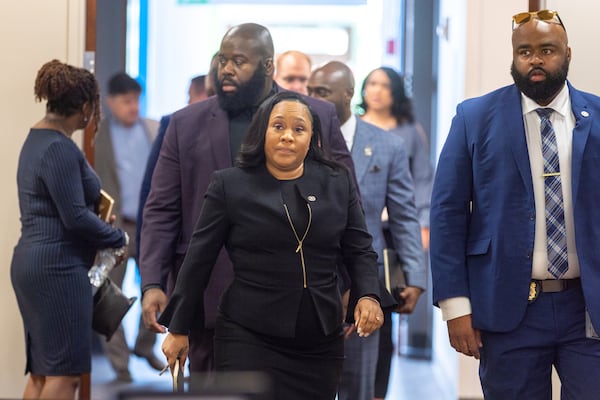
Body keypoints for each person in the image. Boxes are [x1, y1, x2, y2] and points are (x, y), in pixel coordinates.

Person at [139, 22, 355, 379]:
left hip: (302, 304)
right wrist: (152, 283)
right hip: (209, 299)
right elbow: (161, 209)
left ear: (268, 66)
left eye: (239, 61)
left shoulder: (314, 117)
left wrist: (354, 284)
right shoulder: (184, 124)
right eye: (223, 60)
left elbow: (347, 204)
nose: (226, 69)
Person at [160, 91, 384, 399]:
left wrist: (368, 294)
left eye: (298, 129)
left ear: (313, 139)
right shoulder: (230, 184)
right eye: (278, 126)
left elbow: (359, 247)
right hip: (248, 336)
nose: (288, 137)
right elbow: (199, 260)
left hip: (319, 338)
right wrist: (178, 327)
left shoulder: (337, 181)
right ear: (262, 132)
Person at [430, 10, 600, 399]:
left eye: (546, 50)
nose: (535, 60)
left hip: (588, 308)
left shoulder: (596, 115)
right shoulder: (474, 118)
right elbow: (447, 215)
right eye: (524, 51)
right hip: (510, 308)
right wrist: (456, 307)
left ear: (567, 54)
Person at [10, 59, 128, 399]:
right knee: (65, 377)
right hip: (57, 270)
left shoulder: (36, 140)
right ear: (87, 107)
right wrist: (118, 238)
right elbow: (74, 217)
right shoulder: (60, 148)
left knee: (43, 374)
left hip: (35, 265)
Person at [308, 61, 425, 400]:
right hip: (308, 281)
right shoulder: (299, 138)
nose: (314, 100)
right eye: (311, 92)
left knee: (359, 384)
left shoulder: (387, 146)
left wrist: (415, 277)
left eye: (323, 93)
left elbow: (404, 215)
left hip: (364, 284)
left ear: (347, 95)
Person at [358, 66, 434, 399]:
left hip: (396, 235)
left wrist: (423, 225)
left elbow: (422, 181)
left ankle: (377, 392)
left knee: (384, 314)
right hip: (361, 231)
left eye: (385, 86)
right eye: (371, 84)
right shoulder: (351, 129)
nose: (376, 91)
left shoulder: (409, 131)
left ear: (396, 93)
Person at [94, 72, 160, 381]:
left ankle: (144, 345)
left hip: (148, 227)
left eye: (136, 100)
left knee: (158, 288)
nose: (133, 107)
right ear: (110, 103)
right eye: (126, 101)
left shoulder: (153, 129)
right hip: (113, 230)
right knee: (109, 297)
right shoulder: (96, 136)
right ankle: (120, 366)